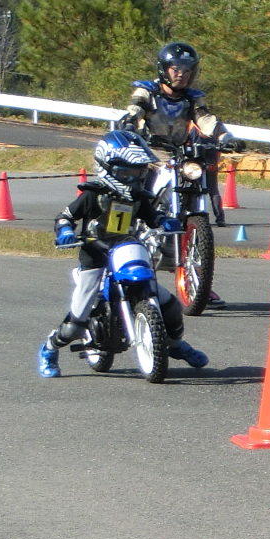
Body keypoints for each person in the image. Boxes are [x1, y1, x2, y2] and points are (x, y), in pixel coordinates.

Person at [38, 131, 209, 377]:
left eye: (138, 171)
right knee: (77, 320)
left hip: (127, 249)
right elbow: (66, 216)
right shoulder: (93, 194)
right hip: (95, 255)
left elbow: (152, 217)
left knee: (168, 303)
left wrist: (164, 221)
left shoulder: (139, 196)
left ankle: (174, 344)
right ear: (108, 167)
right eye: (127, 172)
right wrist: (65, 231)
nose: (134, 177)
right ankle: (50, 348)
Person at [116, 40, 239, 214]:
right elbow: (136, 109)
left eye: (187, 70)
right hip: (149, 151)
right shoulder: (148, 91)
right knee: (136, 192)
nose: (181, 74)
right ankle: (133, 220)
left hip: (180, 153)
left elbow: (205, 119)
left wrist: (225, 137)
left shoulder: (192, 97)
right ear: (164, 69)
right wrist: (130, 122)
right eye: (176, 69)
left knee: (195, 180)